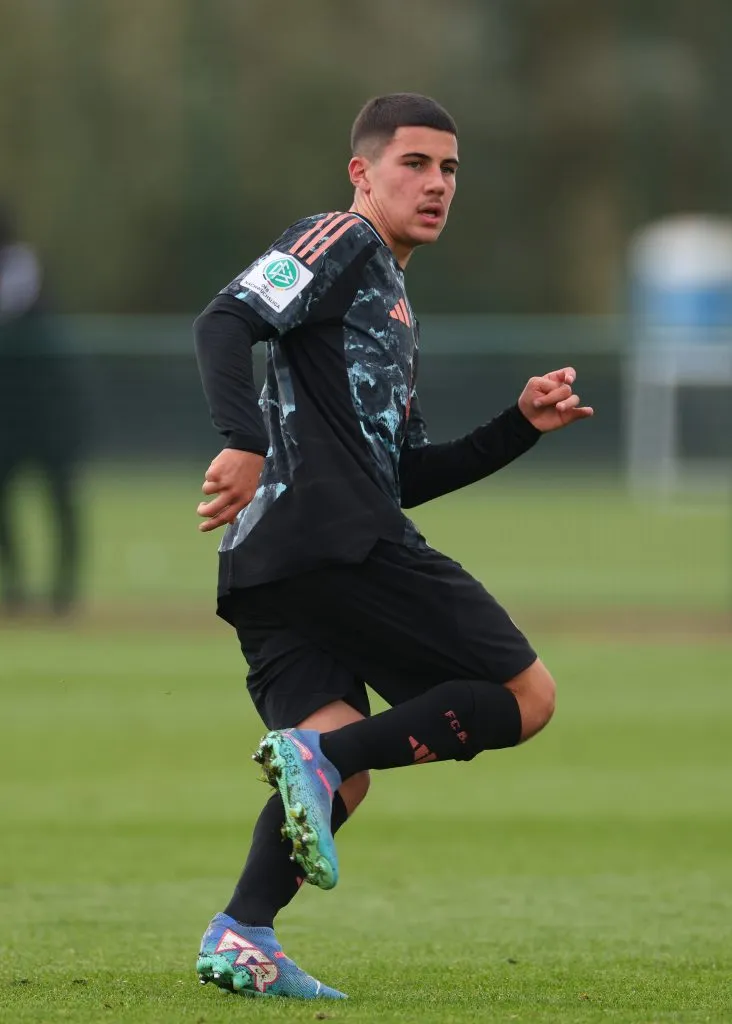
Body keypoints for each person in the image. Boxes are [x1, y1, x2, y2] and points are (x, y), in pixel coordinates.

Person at [193, 93, 593, 1001]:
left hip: (271, 567)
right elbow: (225, 319)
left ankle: (244, 934)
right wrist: (243, 440)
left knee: (340, 770)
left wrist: (518, 427)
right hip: (335, 538)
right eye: (414, 163)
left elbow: (404, 471)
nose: (436, 183)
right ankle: (320, 760)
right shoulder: (343, 240)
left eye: (449, 169)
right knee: (526, 698)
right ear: (361, 172)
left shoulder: (392, 302)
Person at [0, 206, 83, 616]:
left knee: (60, 496)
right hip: (8, 415)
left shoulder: (28, 272)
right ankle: (15, 587)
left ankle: (62, 591)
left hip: (48, 413)